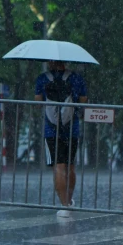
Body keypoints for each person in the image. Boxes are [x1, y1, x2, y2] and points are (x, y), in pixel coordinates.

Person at [35, 60, 88, 218]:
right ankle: (69, 202)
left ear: (50, 62)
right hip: (72, 129)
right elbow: (84, 101)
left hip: (51, 130)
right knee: (70, 167)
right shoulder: (76, 78)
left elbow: (37, 102)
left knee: (58, 167)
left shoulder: (42, 78)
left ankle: (64, 205)